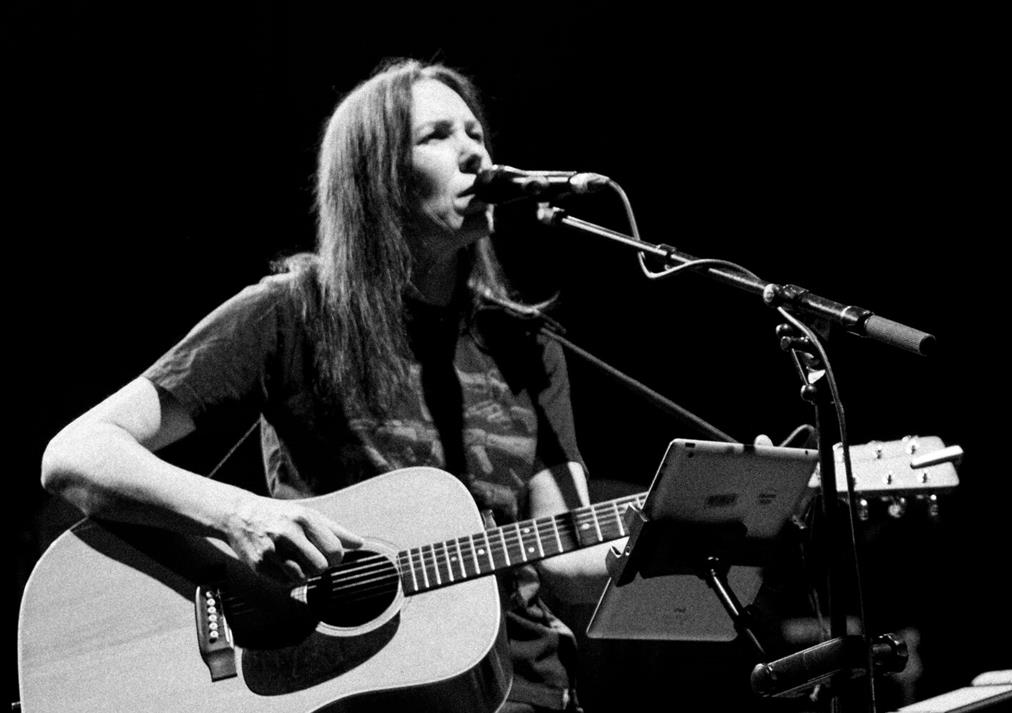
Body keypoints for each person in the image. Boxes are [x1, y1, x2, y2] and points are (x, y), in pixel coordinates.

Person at [40, 58, 617, 712]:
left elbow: (566, 557)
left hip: (522, 688)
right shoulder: (292, 315)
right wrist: (239, 514)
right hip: (349, 685)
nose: (473, 153)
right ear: (374, 179)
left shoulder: (527, 344)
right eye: (436, 135)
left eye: (476, 133)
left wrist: (656, 533)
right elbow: (77, 453)